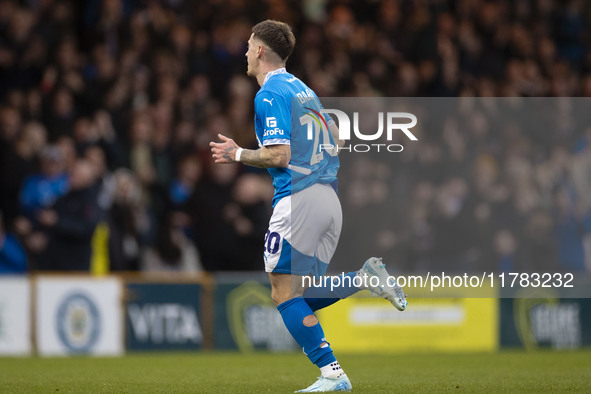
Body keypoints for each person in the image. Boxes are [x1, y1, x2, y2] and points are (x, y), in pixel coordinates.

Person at [210, 20, 407, 393]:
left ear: (261, 51)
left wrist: (237, 153)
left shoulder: (269, 94)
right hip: (329, 199)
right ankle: (364, 279)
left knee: (283, 294)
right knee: (298, 292)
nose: (245, 52)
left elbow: (280, 155)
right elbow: (335, 137)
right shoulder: (305, 90)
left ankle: (332, 372)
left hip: (298, 200)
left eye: (249, 45)